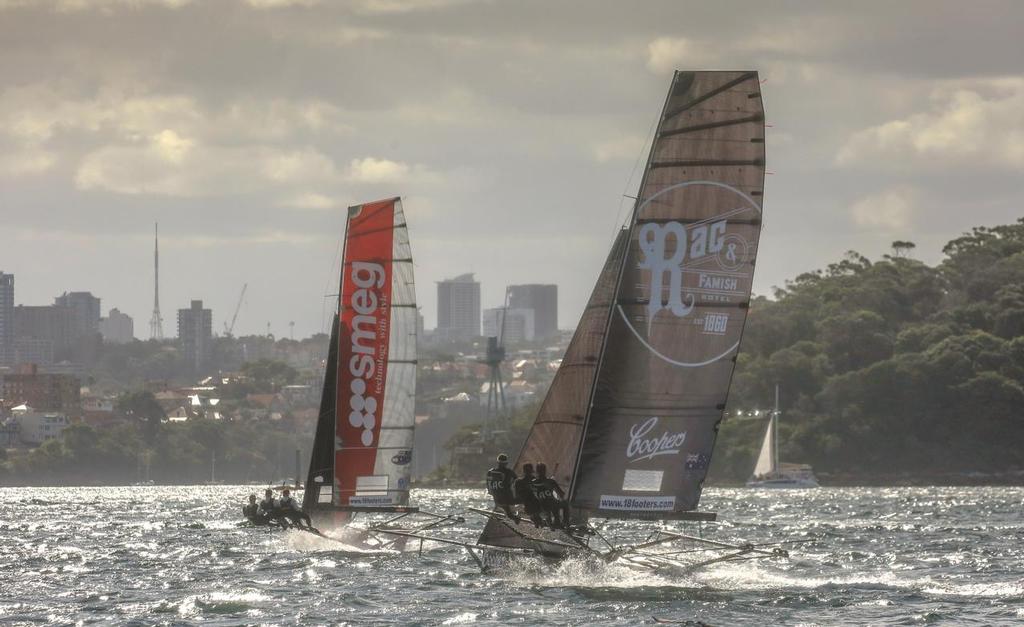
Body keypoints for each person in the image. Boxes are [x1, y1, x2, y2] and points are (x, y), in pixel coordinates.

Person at [532, 463, 570, 530]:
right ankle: (565, 522)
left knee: (553, 503)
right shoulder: (551, 481)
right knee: (565, 504)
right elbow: (561, 494)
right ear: (545, 471)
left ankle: (552, 523)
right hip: (552, 505)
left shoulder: (533, 483)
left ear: (537, 471)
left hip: (541, 507)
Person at [486, 453, 519, 522]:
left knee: (506, 507)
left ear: (498, 462)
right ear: (506, 463)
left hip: (497, 500)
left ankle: (510, 514)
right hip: (508, 500)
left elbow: (489, 490)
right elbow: (518, 482)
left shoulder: (490, 472)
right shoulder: (509, 472)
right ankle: (514, 516)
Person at [513, 463, 544, 528]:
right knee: (535, 513)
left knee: (533, 514)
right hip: (536, 505)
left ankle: (537, 521)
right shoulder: (535, 480)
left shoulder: (518, 482)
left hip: (527, 506)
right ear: (531, 471)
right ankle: (539, 521)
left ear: (524, 471)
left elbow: (517, 496)